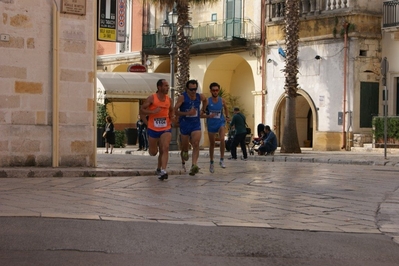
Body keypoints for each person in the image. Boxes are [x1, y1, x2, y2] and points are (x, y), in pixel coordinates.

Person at [140, 79, 174, 180]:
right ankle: (159, 168)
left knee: (165, 148)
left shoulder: (169, 100)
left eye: (168, 86)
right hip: (153, 129)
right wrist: (153, 112)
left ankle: (163, 170)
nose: (167, 88)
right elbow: (142, 110)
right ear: (159, 87)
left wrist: (171, 119)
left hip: (166, 128)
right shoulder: (152, 98)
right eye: (165, 86)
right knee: (154, 152)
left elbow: (171, 110)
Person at [174, 79, 208, 176]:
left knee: (196, 143)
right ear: (187, 89)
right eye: (191, 89)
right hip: (184, 124)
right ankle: (184, 155)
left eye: (195, 89)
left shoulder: (199, 96)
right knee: (185, 147)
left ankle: (194, 165)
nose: (193, 92)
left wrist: (203, 110)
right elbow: (175, 111)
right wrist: (187, 113)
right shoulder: (182, 98)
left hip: (195, 124)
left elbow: (205, 100)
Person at [204, 82, 229, 173]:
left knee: (222, 138)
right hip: (211, 124)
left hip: (220, 122)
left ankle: (222, 159)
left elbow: (226, 108)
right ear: (211, 91)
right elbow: (202, 112)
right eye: (213, 90)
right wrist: (208, 116)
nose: (215, 92)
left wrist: (227, 117)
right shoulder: (207, 101)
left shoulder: (222, 100)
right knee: (212, 144)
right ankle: (211, 162)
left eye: (217, 90)